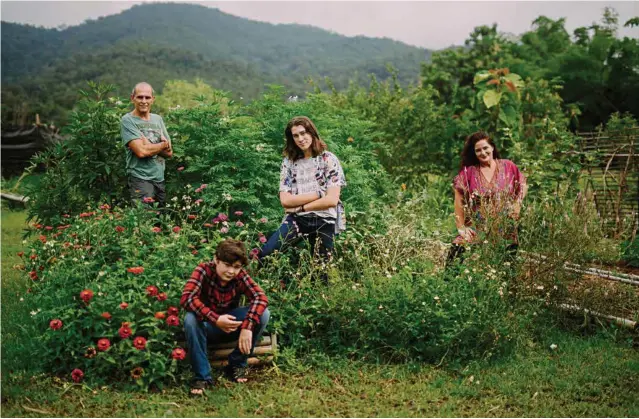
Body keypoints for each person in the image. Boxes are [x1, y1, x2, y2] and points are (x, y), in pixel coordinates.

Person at [257, 116, 346, 280]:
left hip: (324, 220)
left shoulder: (328, 159)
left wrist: (300, 206)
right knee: (266, 254)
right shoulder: (289, 163)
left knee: (320, 275)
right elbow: (285, 201)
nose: (300, 139)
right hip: (298, 220)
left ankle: (315, 302)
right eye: (295, 136)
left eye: (303, 133)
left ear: (312, 133)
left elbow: (331, 200)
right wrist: (318, 194)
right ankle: (276, 289)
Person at [181, 239, 269, 395]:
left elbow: (260, 297)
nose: (231, 271)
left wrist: (247, 326)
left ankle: (236, 364)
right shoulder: (203, 270)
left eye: (236, 267)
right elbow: (187, 298)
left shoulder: (240, 276)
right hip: (207, 326)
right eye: (227, 265)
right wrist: (215, 319)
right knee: (190, 319)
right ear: (216, 259)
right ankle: (202, 376)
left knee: (263, 314)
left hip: (230, 325)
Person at [446, 131, 527, 266]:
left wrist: (518, 203)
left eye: (485, 148)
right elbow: (459, 199)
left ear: (492, 148)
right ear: (474, 153)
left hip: (505, 225)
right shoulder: (469, 172)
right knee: (455, 253)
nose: (483, 153)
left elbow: (523, 184)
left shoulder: (508, 166)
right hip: (478, 225)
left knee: (505, 267)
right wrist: (461, 227)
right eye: (478, 150)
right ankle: (447, 285)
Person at [120, 82, 173, 206]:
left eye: (147, 97)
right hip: (140, 179)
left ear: (153, 99)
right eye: (140, 97)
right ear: (132, 98)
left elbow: (169, 152)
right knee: (144, 221)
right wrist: (161, 145)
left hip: (160, 178)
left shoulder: (157, 119)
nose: (144, 101)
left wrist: (147, 143)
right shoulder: (128, 120)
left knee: (160, 222)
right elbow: (141, 152)